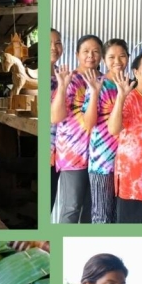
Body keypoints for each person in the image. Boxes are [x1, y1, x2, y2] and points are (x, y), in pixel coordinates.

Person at [51, 35, 102, 224]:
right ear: (77, 54)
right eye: (86, 51)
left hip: (100, 156)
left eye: (96, 51)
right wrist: (63, 87)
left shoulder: (104, 81)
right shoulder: (69, 79)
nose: (91, 56)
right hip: (73, 154)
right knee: (72, 207)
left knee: (92, 209)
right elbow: (56, 117)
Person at [109, 50, 142, 224]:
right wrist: (121, 97)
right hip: (134, 180)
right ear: (136, 72)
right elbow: (113, 128)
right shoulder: (130, 97)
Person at [85, 38, 125, 223]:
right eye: (112, 57)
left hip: (125, 164)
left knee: (120, 217)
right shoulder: (97, 84)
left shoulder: (131, 86)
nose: (117, 61)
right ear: (104, 59)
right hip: (102, 161)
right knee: (102, 215)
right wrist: (94, 93)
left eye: (122, 56)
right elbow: (89, 123)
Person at [50, 27, 63, 213]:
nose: (54, 47)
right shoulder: (34, 76)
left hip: (62, 152)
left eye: (58, 43)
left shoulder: (63, 76)